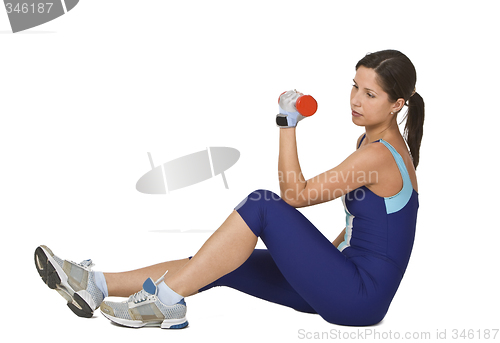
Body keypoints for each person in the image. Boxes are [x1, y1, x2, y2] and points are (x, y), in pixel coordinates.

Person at [34, 49, 424, 328]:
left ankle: (166, 303)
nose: (355, 100)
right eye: (354, 86)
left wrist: (286, 125)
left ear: (397, 104)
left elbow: (295, 195)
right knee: (221, 261)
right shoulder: (372, 148)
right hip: (344, 285)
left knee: (264, 205)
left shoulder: (379, 156)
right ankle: (96, 285)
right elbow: (366, 232)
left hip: (357, 298)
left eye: (369, 94)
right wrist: (319, 263)